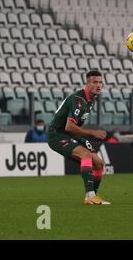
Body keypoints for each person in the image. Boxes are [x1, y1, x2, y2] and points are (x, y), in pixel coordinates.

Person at [47, 70, 110, 205]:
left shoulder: (91, 100)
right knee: (86, 155)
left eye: (100, 82)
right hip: (56, 135)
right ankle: (89, 196)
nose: (98, 85)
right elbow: (69, 126)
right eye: (94, 82)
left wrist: (83, 138)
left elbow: (73, 129)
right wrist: (92, 133)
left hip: (70, 135)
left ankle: (93, 196)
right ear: (87, 84)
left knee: (98, 163)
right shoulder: (78, 100)